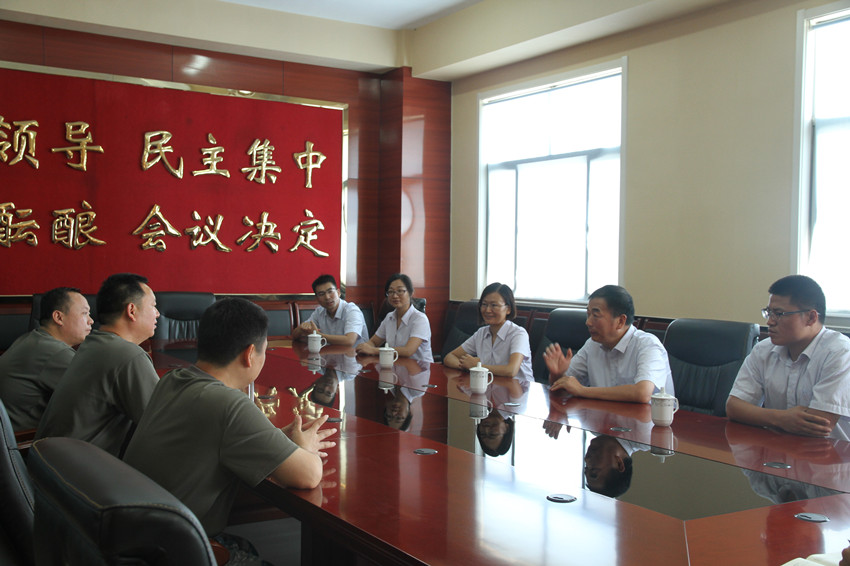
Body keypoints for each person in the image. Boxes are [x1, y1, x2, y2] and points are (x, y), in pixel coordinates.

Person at [123, 297, 336, 546]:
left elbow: (211, 436)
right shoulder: (228, 404)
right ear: (249, 354)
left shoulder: (173, 379)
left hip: (133, 536)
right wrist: (305, 447)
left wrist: (276, 440)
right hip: (175, 551)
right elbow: (308, 475)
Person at [36, 273, 160, 457]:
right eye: (153, 306)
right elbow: (162, 425)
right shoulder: (127, 355)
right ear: (132, 311)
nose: (157, 313)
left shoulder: (93, 344)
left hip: (52, 463)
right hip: (79, 469)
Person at [726, 275, 850, 439]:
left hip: (831, 452)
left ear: (811, 317)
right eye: (769, 312)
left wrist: (762, 416)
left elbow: (819, 424)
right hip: (777, 448)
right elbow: (734, 407)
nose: (770, 322)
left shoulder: (840, 353)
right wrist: (781, 419)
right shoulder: (763, 350)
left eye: (779, 314)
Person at [544, 284, 673, 404]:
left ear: (620, 321)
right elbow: (566, 387)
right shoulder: (592, 344)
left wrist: (582, 390)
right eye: (588, 314)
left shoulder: (648, 345)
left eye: (595, 315)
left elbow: (642, 393)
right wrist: (557, 375)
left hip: (649, 420)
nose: (588, 322)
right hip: (605, 417)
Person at [0, 287, 93, 431]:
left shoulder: (31, 339)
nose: (91, 321)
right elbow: (96, 399)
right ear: (59, 317)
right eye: (84, 313)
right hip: (24, 440)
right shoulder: (55, 353)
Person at [443, 282, 532, 380]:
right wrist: (466, 366)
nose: (488, 310)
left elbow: (511, 370)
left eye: (494, 305)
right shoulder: (481, 333)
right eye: (484, 304)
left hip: (519, 387)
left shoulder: (518, 334)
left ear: (508, 309)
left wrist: (478, 367)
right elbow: (449, 357)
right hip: (491, 385)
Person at [355, 273, 433, 363]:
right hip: (395, 366)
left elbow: (408, 351)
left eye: (400, 291)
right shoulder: (389, 317)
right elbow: (374, 342)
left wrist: (373, 350)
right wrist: (364, 347)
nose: (395, 296)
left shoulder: (420, 319)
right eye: (391, 292)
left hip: (421, 368)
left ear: (410, 292)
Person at [292, 274, 369, 346]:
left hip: (356, 354)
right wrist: (301, 328)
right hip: (330, 353)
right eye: (321, 294)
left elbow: (349, 341)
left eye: (330, 291)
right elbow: (295, 335)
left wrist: (318, 335)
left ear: (338, 293)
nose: (327, 297)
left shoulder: (352, 310)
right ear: (317, 299)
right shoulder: (319, 312)